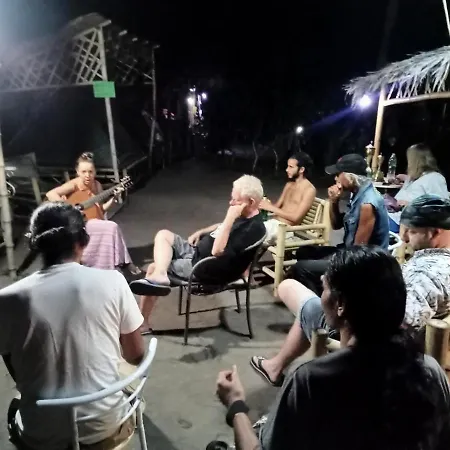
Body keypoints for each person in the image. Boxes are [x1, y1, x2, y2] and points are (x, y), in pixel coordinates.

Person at [218, 247, 450, 450]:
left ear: (340, 305)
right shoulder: (430, 370)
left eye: (324, 288)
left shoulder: (312, 379)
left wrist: (235, 404)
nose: (321, 295)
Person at [249, 194, 450, 386]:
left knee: (290, 288)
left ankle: (277, 366)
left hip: (361, 341)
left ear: (434, 232)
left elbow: (398, 322)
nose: (404, 237)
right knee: (312, 301)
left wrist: (355, 307)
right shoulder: (439, 262)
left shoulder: (427, 273)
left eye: (412, 232)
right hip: (375, 335)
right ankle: (275, 366)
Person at [0, 202, 145, 450]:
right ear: (83, 241)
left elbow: (16, 370)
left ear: (35, 243)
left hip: (43, 435)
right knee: (121, 376)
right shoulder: (114, 281)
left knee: (17, 403)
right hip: (105, 429)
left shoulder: (7, 298)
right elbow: (136, 355)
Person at [129, 175, 266, 334]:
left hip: (204, 268)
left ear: (251, 202)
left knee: (152, 268)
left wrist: (230, 217)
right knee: (163, 235)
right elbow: (221, 226)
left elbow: (217, 251)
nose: (231, 203)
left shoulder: (252, 229)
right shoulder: (244, 215)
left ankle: (143, 323)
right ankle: (161, 274)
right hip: (197, 253)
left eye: (236, 200)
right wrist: (202, 232)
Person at [289, 153, 389, 294]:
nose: (335, 178)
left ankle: (329, 302)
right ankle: (328, 291)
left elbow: (357, 251)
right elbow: (336, 225)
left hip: (364, 262)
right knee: (304, 252)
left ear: (350, 176)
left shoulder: (367, 203)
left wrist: (333, 259)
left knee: (301, 268)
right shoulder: (356, 193)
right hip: (348, 251)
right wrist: (334, 201)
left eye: (338, 174)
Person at [46, 152, 140, 274]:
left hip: (94, 223)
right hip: (80, 225)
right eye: (84, 172)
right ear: (78, 172)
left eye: (90, 171)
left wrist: (114, 197)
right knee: (112, 227)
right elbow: (50, 194)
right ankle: (126, 264)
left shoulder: (97, 185)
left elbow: (101, 209)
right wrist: (69, 208)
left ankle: (118, 265)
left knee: (110, 228)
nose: (87, 175)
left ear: (95, 171)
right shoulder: (74, 184)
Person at [386, 143, 449, 233]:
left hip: (403, 221)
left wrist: (410, 205)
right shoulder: (413, 177)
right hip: (392, 213)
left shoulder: (435, 178)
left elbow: (441, 207)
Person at [259, 152, 316, 244]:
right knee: (246, 229)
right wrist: (265, 204)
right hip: (273, 224)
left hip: (285, 229)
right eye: (287, 166)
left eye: (291, 167)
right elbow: (276, 206)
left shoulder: (309, 190)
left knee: (252, 236)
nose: (286, 170)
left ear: (301, 169)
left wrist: (270, 207)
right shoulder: (289, 184)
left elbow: (296, 218)